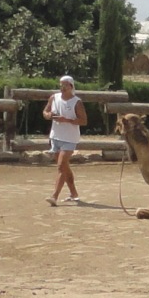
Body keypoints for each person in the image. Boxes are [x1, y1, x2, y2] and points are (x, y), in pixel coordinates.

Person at [45, 76, 85, 206]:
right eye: (61, 85)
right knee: (65, 167)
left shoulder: (77, 102)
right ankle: (74, 193)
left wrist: (67, 120)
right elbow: (45, 111)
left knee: (61, 166)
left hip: (70, 138)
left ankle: (54, 196)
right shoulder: (54, 98)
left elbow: (84, 121)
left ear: (71, 86)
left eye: (65, 85)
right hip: (55, 136)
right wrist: (48, 115)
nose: (62, 87)